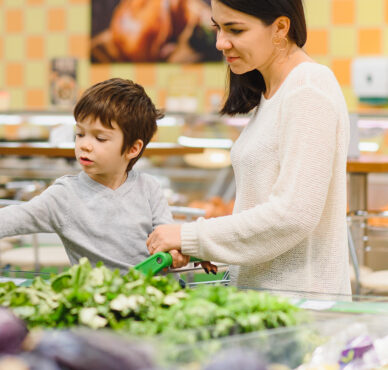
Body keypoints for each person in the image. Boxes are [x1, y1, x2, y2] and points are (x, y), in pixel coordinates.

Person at [147, 0, 351, 296]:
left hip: (302, 307)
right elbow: (263, 210)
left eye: (235, 29)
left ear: (281, 27)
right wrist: (203, 249)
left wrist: (190, 236)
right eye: (217, 28)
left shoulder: (309, 87)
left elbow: (293, 216)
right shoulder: (272, 93)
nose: (220, 42)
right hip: (267, 301)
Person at [0, 78, 190, 273]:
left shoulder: (149, 189)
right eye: (80, 133)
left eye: (100, 137)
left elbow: (165, 238)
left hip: (154, 295)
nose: (84, 144)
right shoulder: (65, 196)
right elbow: (17, 217)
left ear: (132, 148)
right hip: (97, 303)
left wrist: (177, 254)